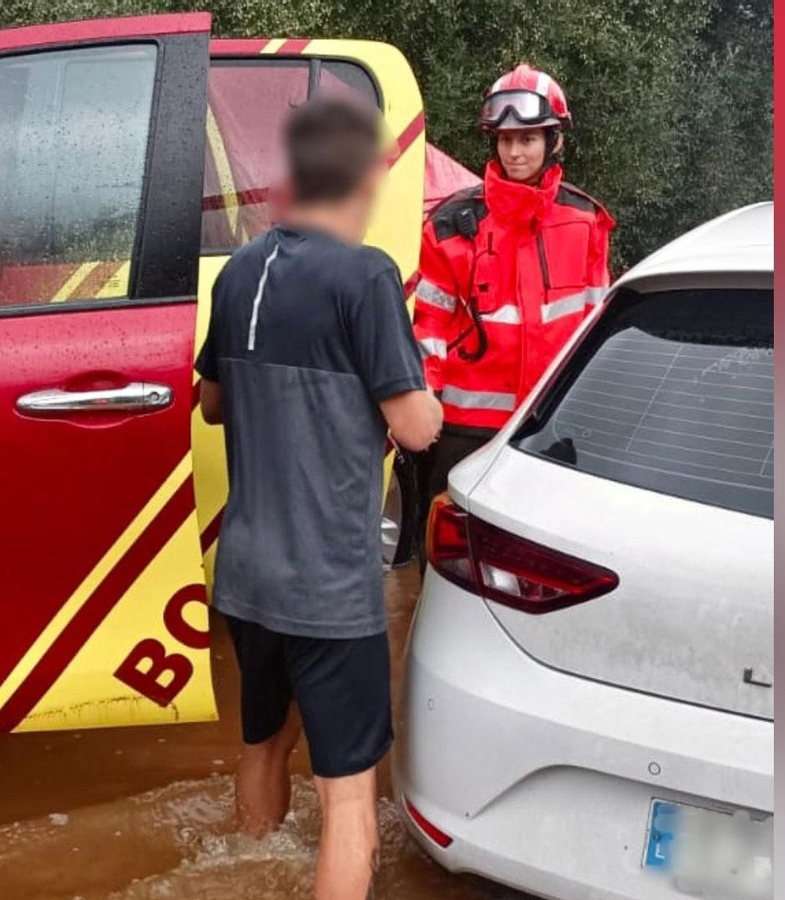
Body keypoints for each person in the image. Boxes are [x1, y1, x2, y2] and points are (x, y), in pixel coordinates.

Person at [193, 96, 443, 900]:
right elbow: (415, 429)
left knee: (264, 744)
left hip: (248, 579)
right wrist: (420, 394)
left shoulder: (238, 272)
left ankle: (249, 861)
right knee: (349, 801)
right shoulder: (365, 274)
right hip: (329, 592)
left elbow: (213, 403)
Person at [412, 64, 616, 509]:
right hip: (466, 429)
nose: (515, 153)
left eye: (527, 139)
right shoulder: (450, 224)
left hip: (551, 425)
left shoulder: (586, 222)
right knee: (451, 550)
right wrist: (424, 405)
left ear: (554, 141)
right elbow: (429, 326)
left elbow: (597, 330)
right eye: (505, 140)